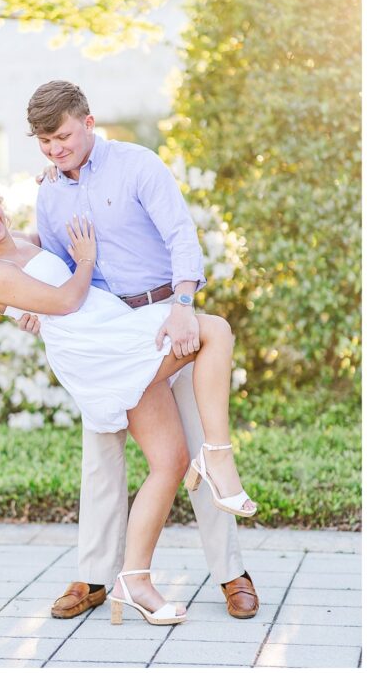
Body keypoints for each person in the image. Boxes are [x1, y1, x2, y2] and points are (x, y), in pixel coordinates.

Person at [0, 174, 257, 625]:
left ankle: (135, 580)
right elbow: (65, 301)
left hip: (110, 331)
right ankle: (219, 459)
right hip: (98, 348)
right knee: (213, 331)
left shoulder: (22, 242)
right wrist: (85, 262)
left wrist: (51, 180)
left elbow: (53, 256)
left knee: (170, 461)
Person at [20, 80, 259, 621]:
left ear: (88, 121)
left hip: (166, 322)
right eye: (44, 141)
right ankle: (95, 577)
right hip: (106, 335)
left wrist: (182, 303)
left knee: (197, 446)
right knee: (101, 459)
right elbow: (60, 268)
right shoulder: (49, 192)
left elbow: (180, 235)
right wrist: (38, 306)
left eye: (61, 136)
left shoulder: (137, 165)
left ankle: (231, 573)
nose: (55, 149)